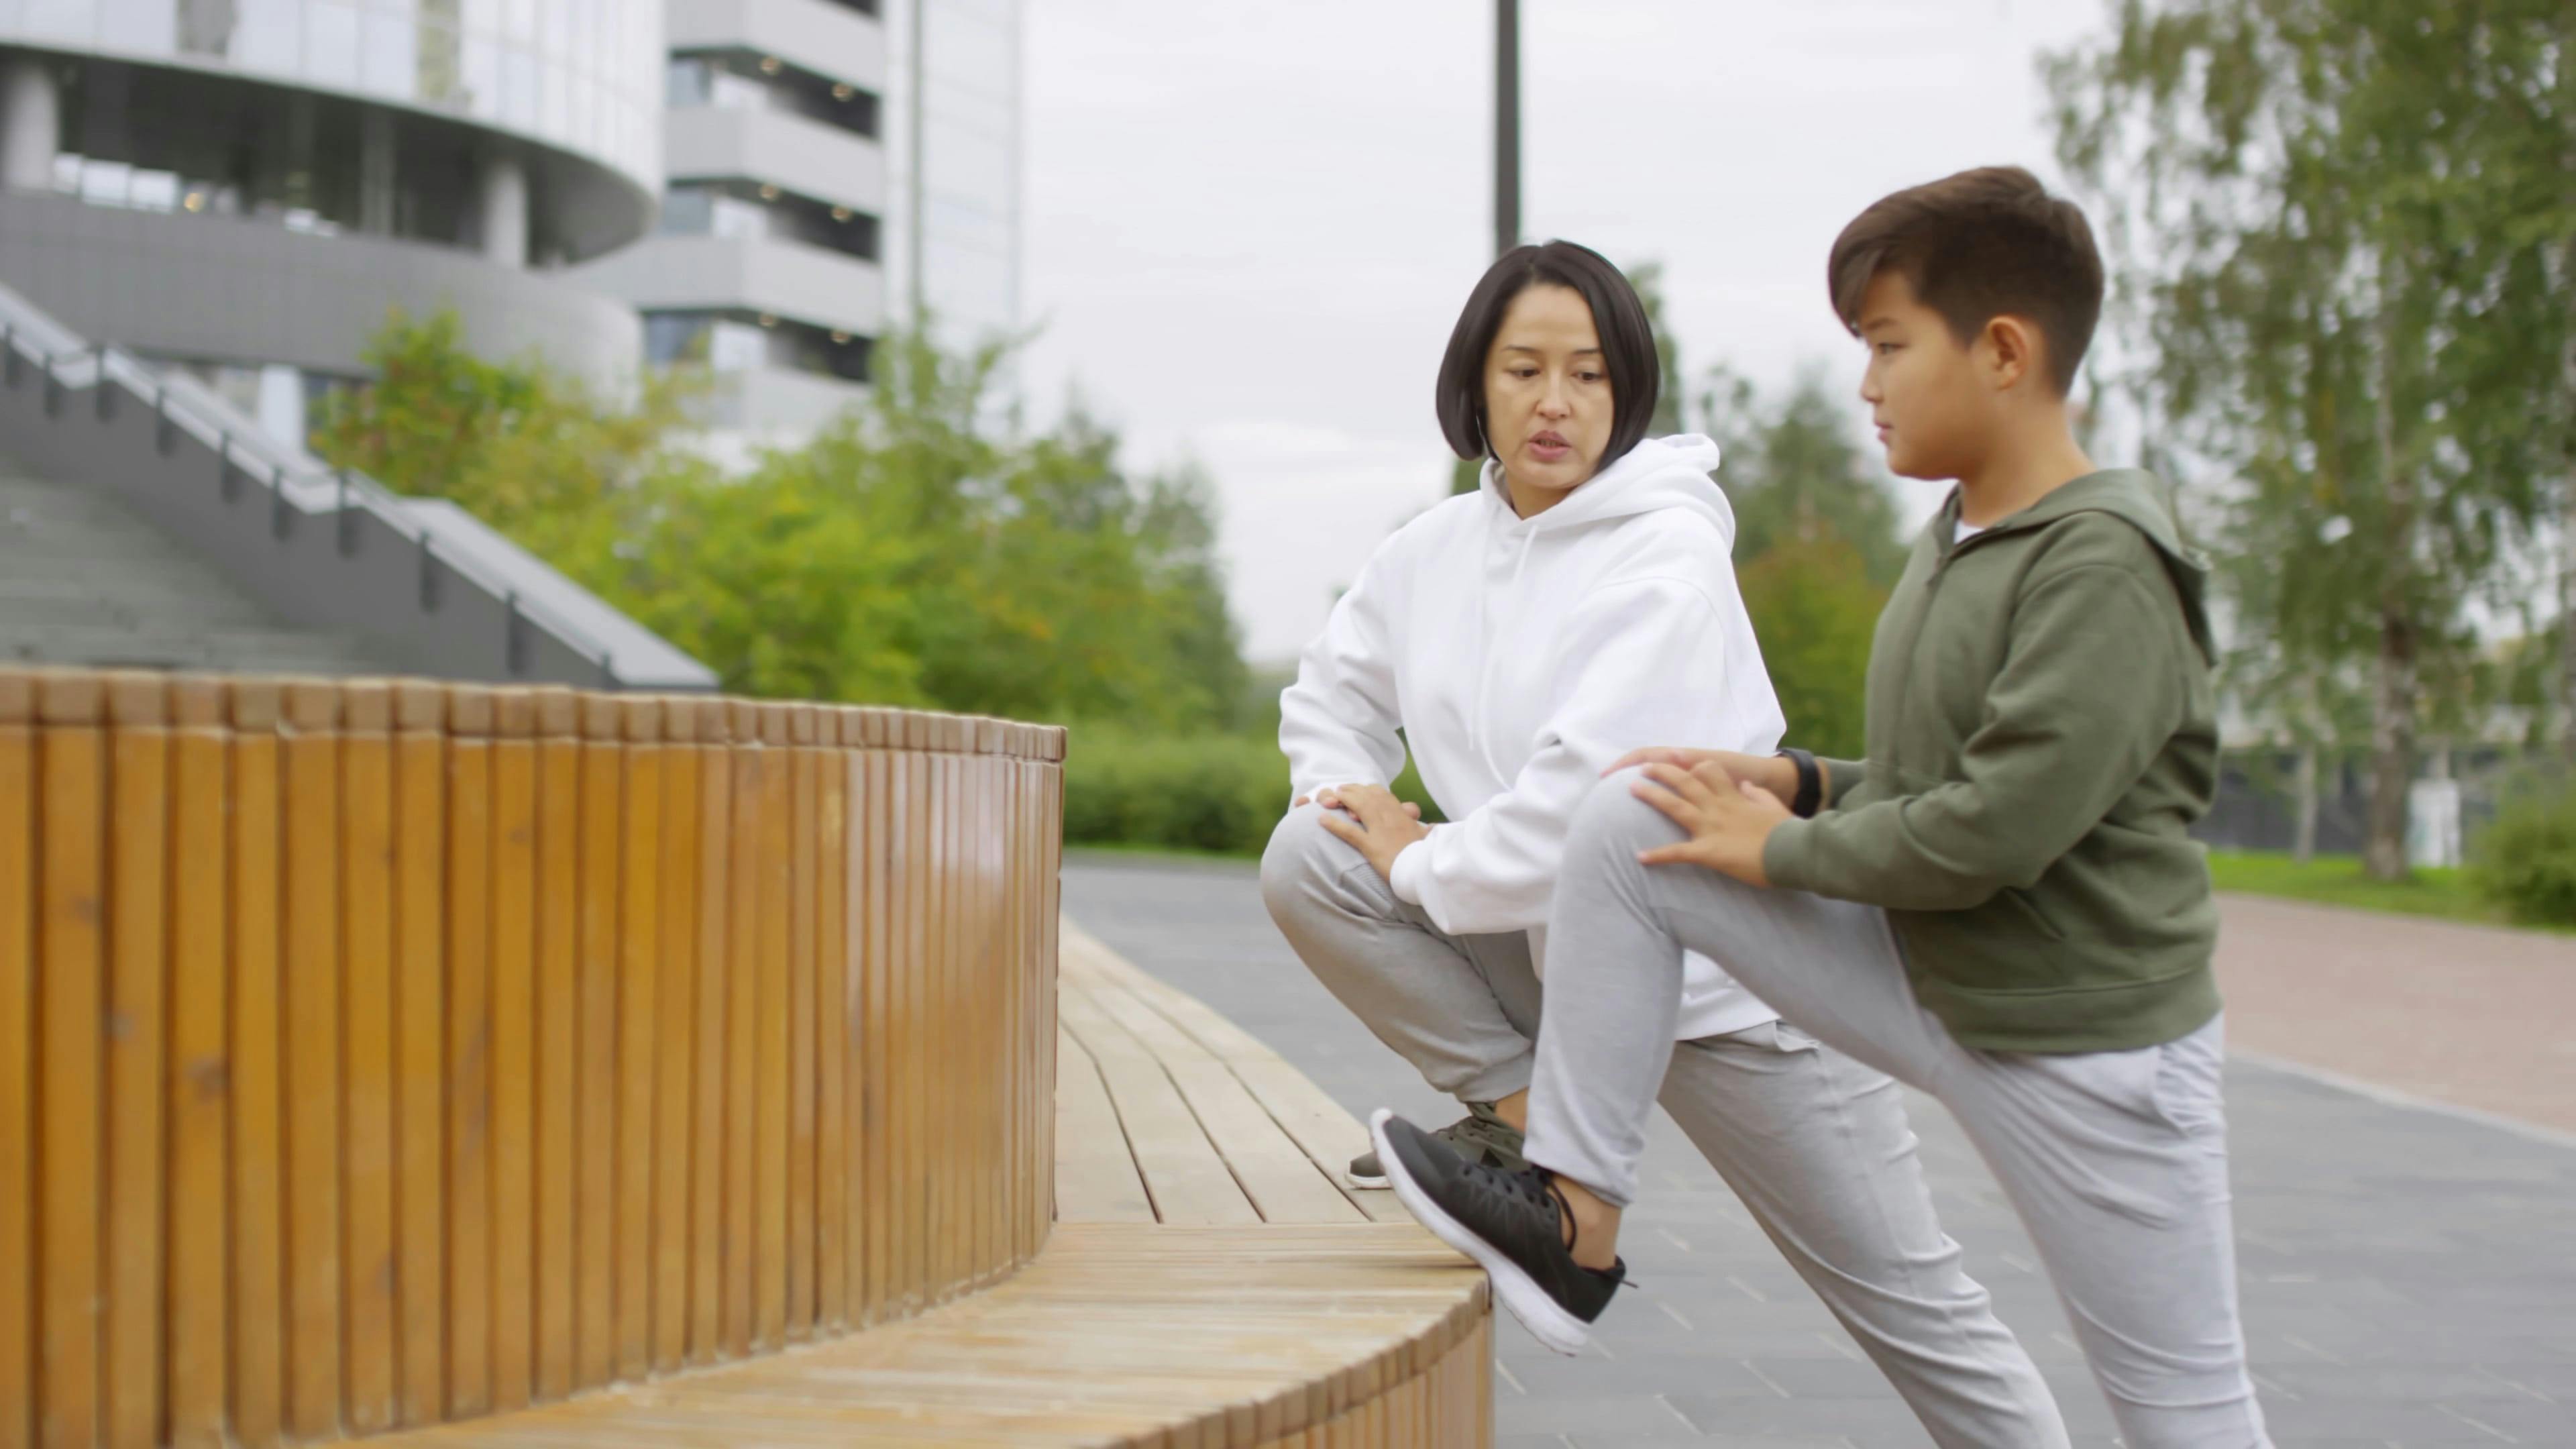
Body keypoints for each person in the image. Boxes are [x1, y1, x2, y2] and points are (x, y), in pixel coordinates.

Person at [1368, 169, 2270, 1448]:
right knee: (1639, 818)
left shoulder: (2105, 560)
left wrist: (1787, 844)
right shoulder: (1963, 539)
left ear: (2003, 352)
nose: (1867, 383)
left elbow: (2000, 828)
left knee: (2178, 1407)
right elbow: (1935, 778)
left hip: (2084, 1045)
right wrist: (1793, 781)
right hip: (1942, 982)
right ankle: (1576, 1218)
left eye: (1891, 347)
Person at [1269, 239, 2067, 1446]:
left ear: (1626, 392)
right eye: (1525, 368)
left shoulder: (1664, 554)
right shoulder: (1427, 557)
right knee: (1309, 857)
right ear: (1474, 386)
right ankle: (1535, 1129)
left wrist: (1416, 858)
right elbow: (1329, 701)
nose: (1555, 402)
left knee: (1915, 1308)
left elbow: (1578, 812)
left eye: (1589, 375)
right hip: (1556, 964)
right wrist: (1353, 803)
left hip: (1738, 984)